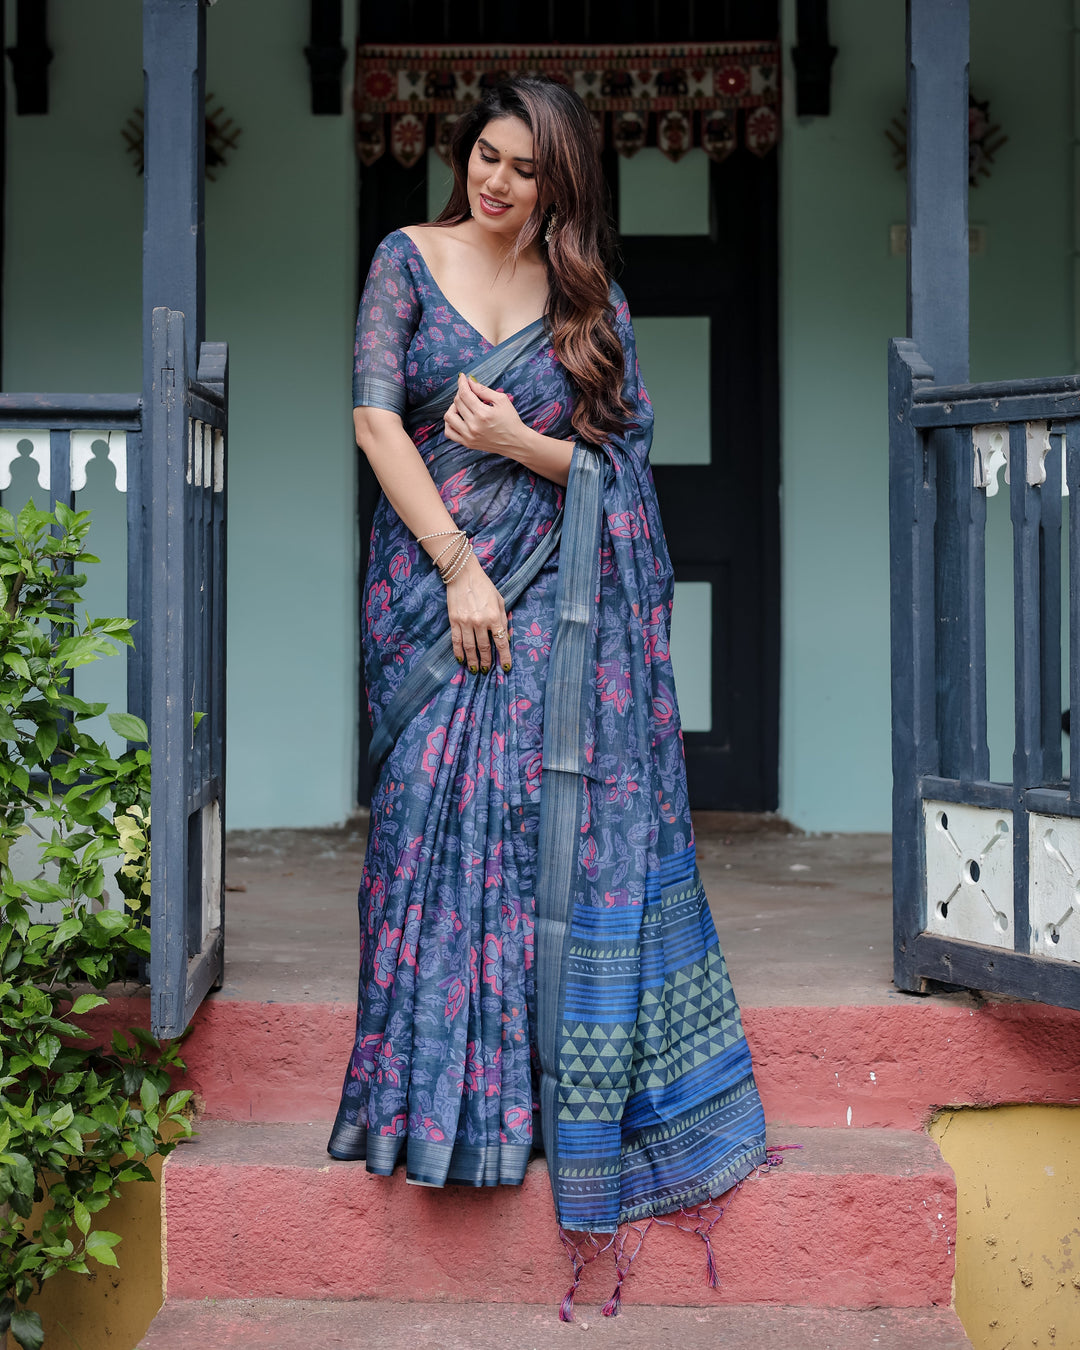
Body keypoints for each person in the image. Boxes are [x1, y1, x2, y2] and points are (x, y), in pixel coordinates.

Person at [328, 76, 769, 1316]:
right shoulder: (405, 261)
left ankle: (516, 1109)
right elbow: (375, 421)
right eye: (483, 153)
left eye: (523, 166)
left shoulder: (590, 306)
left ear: (560, 183)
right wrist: (462, 570)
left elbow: (625, 478)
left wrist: (523, 446)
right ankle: (422, 1111)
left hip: (552, 619)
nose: (494, 179)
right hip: (430, 594)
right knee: (424, 829)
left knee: (527, 849)